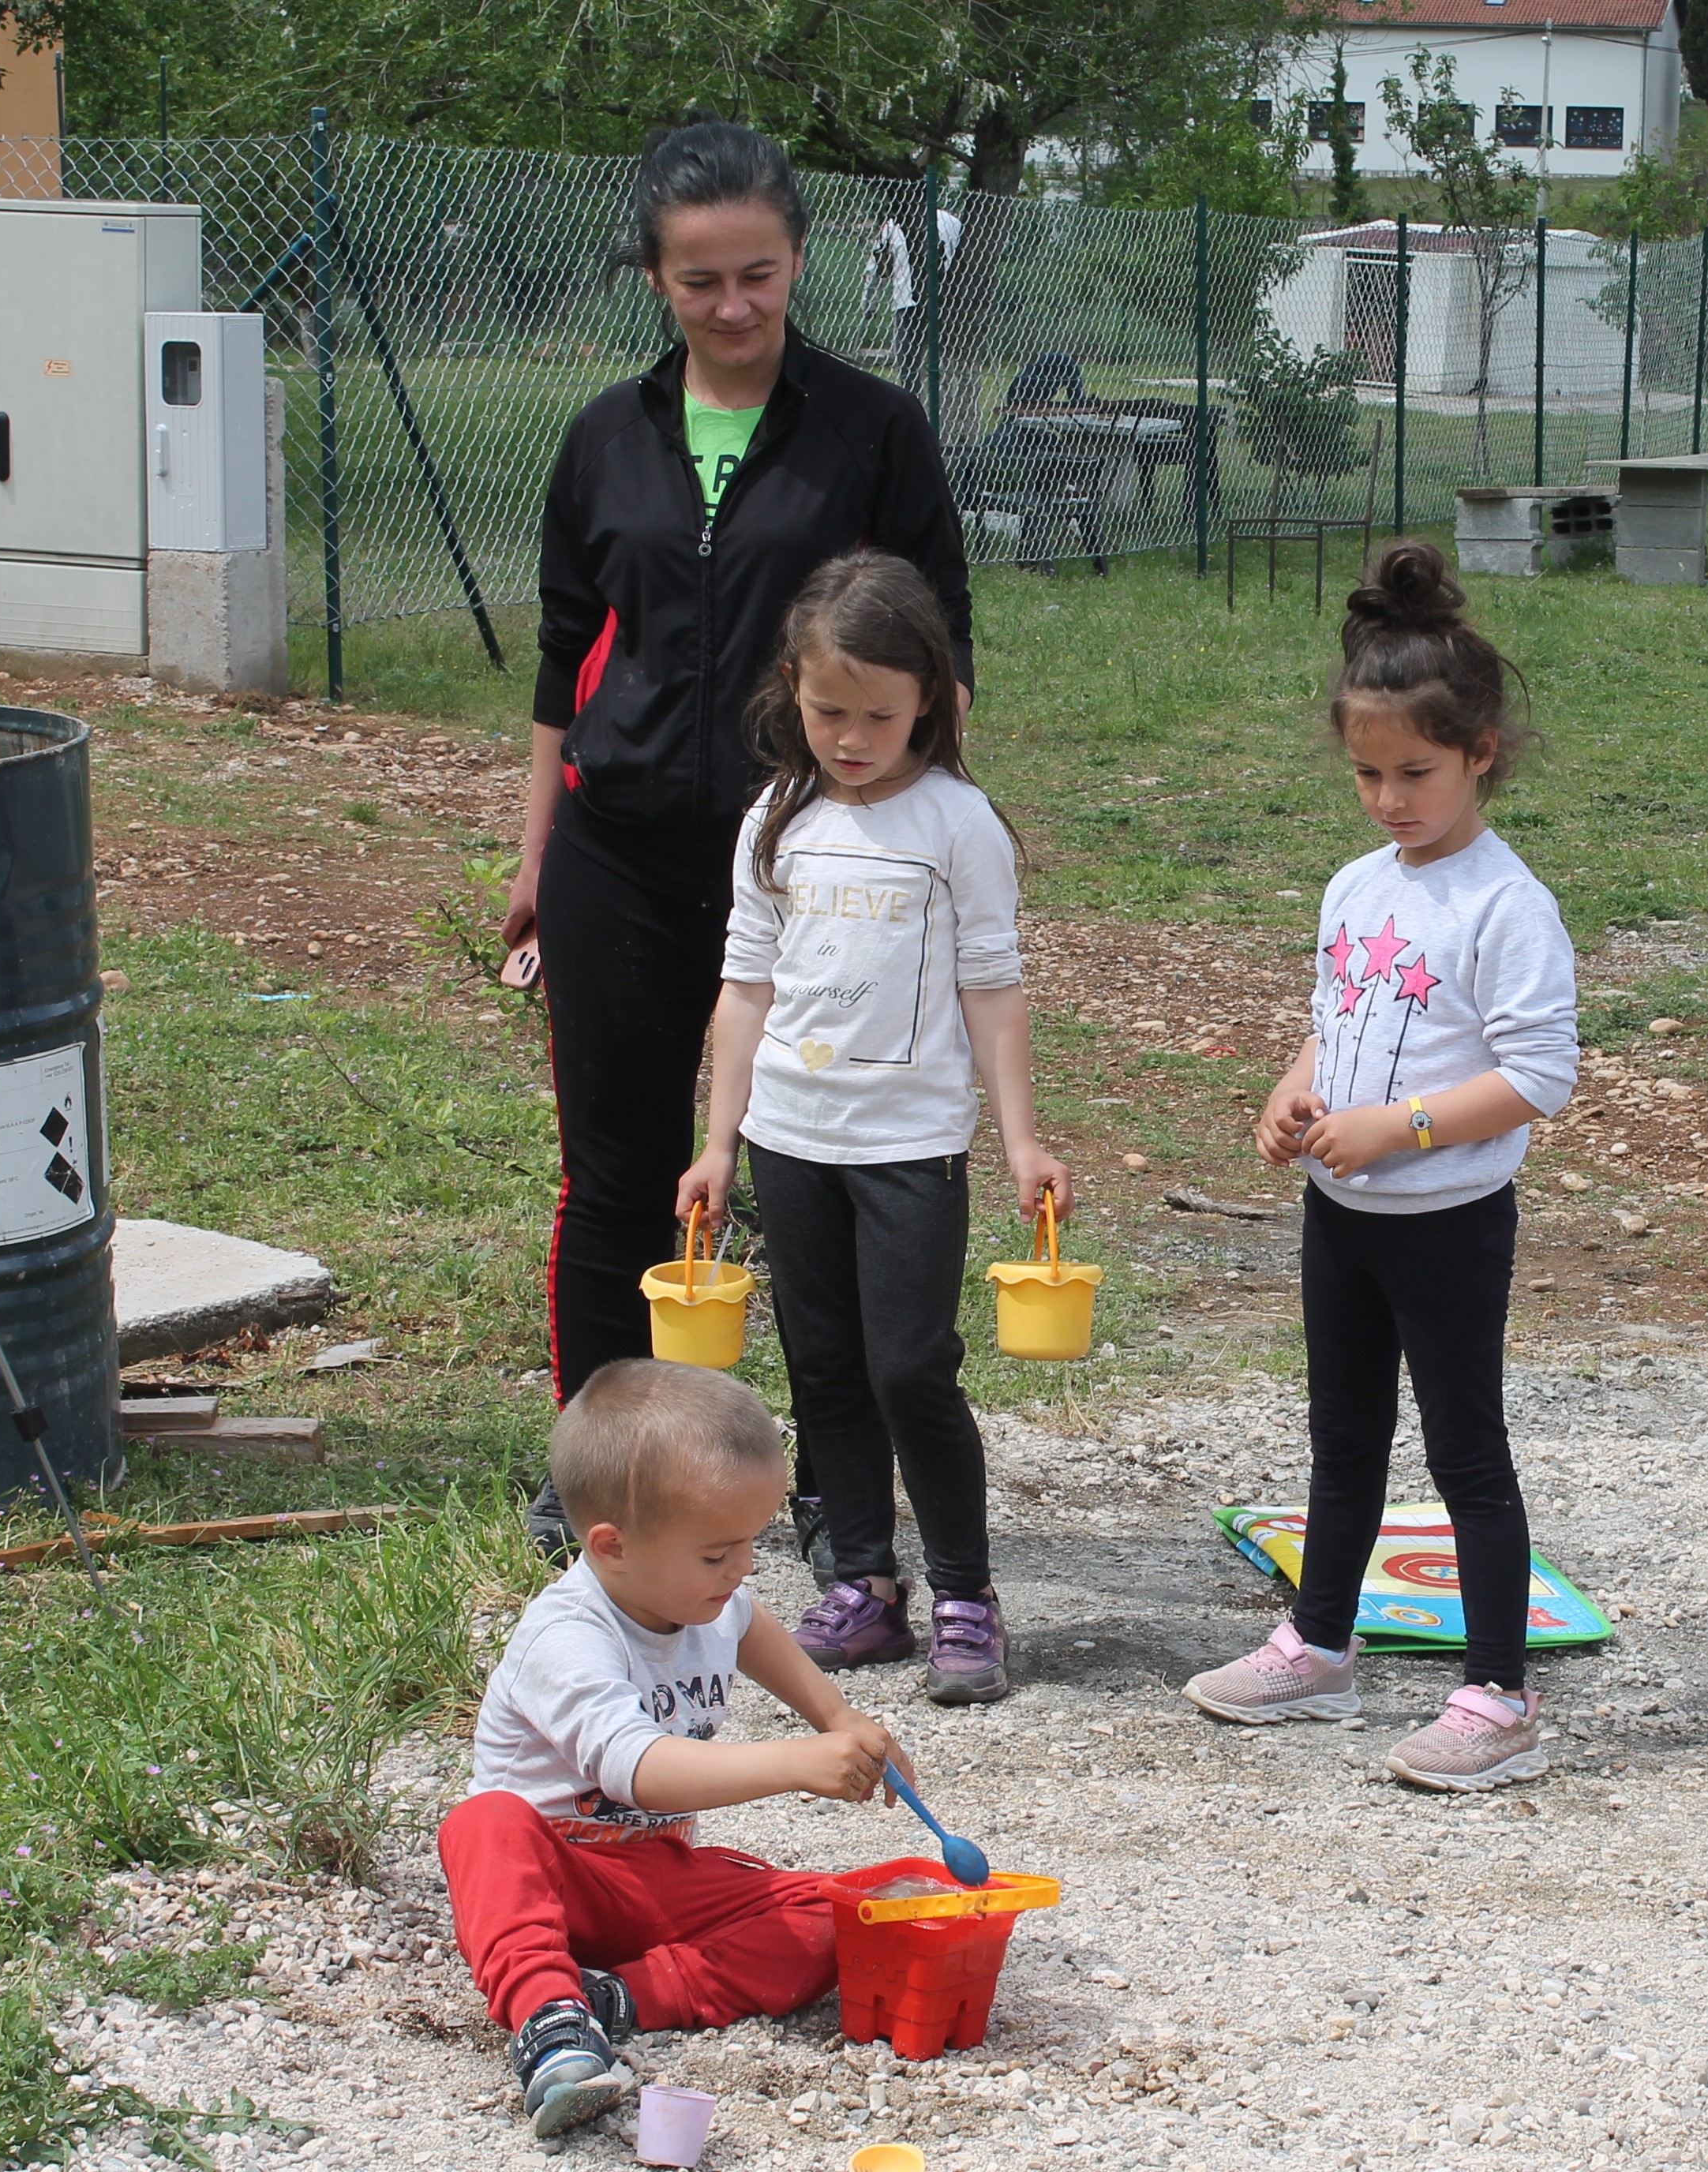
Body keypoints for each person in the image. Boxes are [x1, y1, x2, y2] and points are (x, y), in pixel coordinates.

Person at [513, 120, 976, 1553]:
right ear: (654, 276)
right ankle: (610, 1471)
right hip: (625, 857)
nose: (732, 307)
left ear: (795, 264)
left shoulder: (871, 431)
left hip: (811, 862)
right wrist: (533, 862)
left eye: (757, 276)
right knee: (621, 1171)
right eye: (700, 279)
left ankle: (836, 1484)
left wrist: (930, 855)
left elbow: (939, 662)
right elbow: (559, 665)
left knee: (813, 1173)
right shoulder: (603, 438)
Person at [1181, 541, 1578, 1792]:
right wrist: (1293, 1089)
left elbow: (1536, 1078)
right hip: (1339, 1211)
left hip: (1445, 1220)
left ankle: (1497, 1698)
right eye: (1365, 773)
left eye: (1415, 772)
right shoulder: (1356, 888)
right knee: (1340, 1437)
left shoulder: (1505, 907)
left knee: (1464, 1452)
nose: (1390, 798)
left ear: (1480, 755)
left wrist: (1398, 1128)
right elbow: (1334, 1010)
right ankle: (1318, 1644)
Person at [677, 550, 1070, 1706]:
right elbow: (744, 989)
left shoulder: (957, 825)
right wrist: (717, 1144)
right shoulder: (777, 819)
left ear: (934, 704)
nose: (850, 736)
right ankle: (862, 1583)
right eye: (826, 710)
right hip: (793, 1143)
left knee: (911, 1368)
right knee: (827, 1371)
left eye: (879, 715)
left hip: (908, 1151)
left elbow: (991, 986)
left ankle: (963, 1595)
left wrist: (1021, 1140)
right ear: (790, 695)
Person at [436, 1359, 908, 2138]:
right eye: (718, 1553)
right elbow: (644, 1773)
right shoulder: (568, 1636)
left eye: (752, 1542)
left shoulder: (702, 1596)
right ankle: (547, 2020)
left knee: (837, 1916)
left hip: (656, 1876)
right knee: (484, 1823)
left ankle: (615, 1999)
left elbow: (750, 1626)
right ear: (612, 1546)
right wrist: (796, 1763)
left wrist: (837, 1715)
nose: (744, 1568)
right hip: (556, 1874)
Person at [871, 197, 965, 391]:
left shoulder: (894, 224)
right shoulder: (953, 222)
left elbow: (874, 269)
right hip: (945, 300)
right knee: (945, 358)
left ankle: (912, 398)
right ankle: (946, 394)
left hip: (907, 301)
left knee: (908, 364)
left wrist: (870, 305)